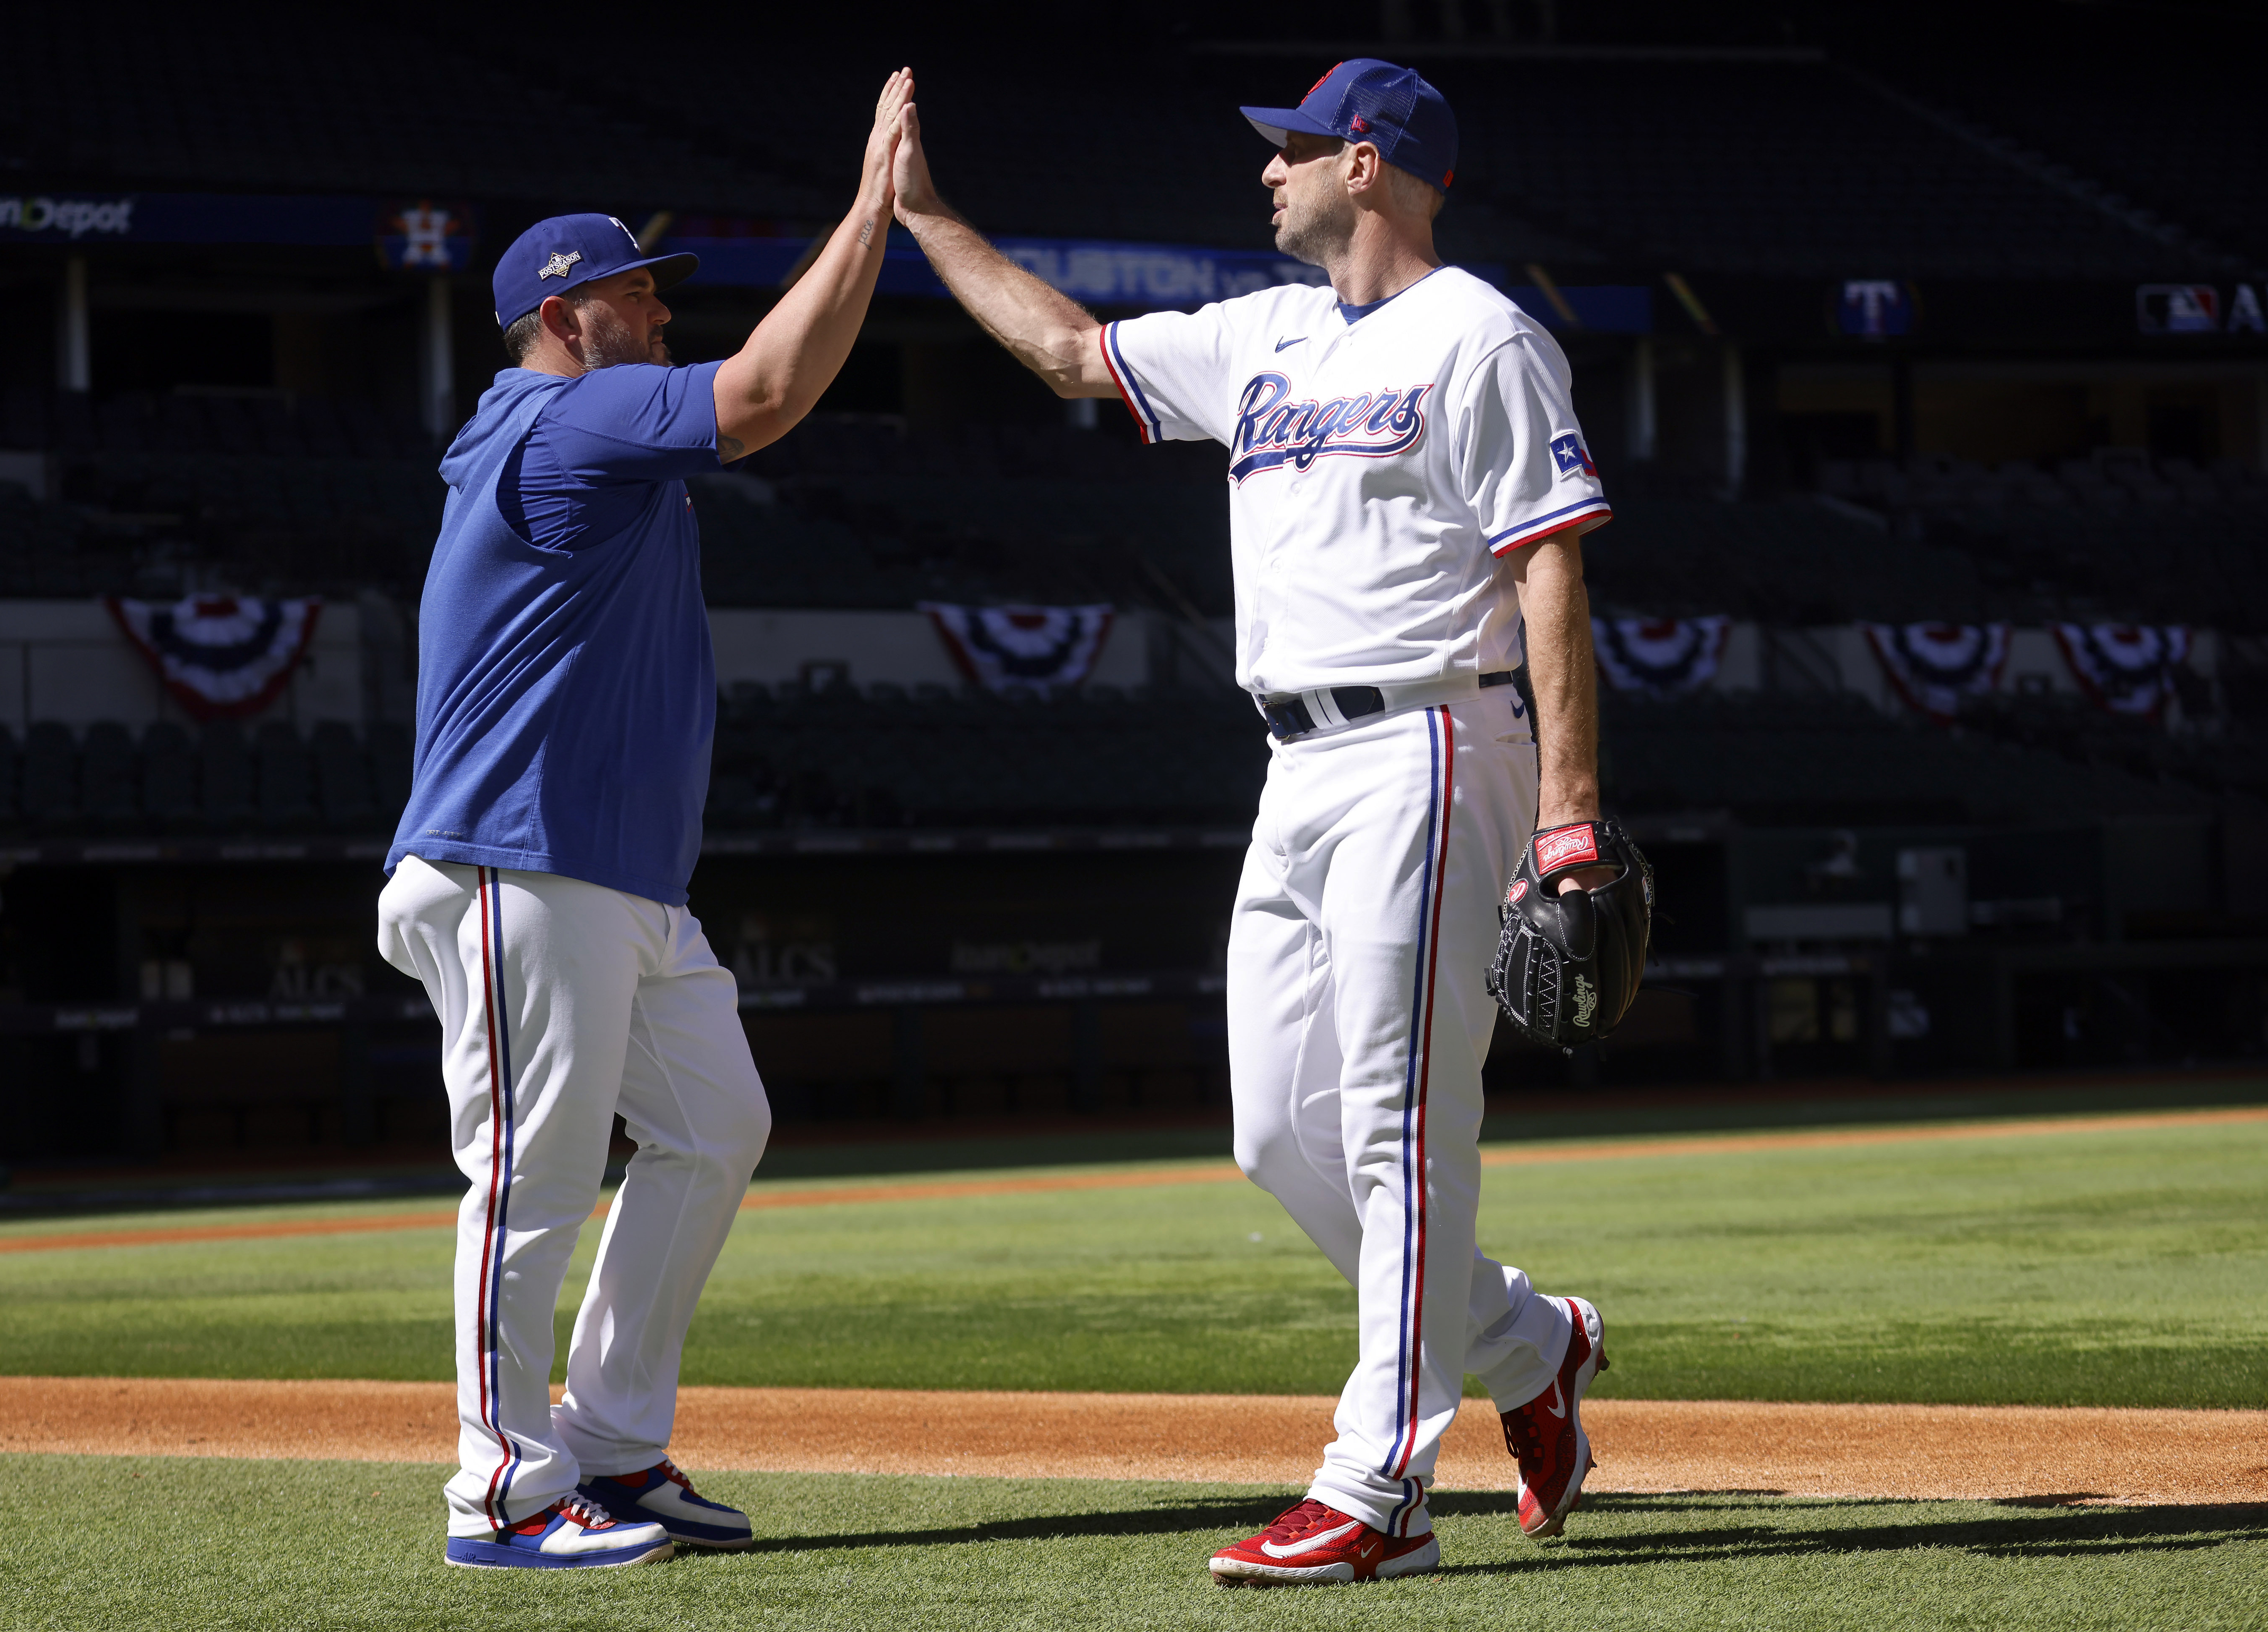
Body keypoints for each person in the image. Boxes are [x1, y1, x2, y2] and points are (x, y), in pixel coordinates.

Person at [888, 59, 1615, 1585]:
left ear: (1366, 163)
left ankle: (1381, 1492)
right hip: (1294, 761)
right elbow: (1072, 355)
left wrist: (1569, 822)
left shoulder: (1482, 335)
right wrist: (926, 218)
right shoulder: (1264, 336)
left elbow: (1550, 570)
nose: (1262, 173)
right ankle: (1529, 1342)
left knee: (1402, 1125)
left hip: (1429, 736)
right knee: (1279, 1129)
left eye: (1287, 150)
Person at [375, 70, 914, 1570]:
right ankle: (499, 1485)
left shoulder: (581, 426)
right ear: (565, 317)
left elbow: (748, 394)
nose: (660, 310)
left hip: (614, 877)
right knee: (532, 1175)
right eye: (634, 291)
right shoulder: (569, 422)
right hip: (515, 855)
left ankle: (607, 1448)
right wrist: (874, 211)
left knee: (715, 1126)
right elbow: (764, 394)